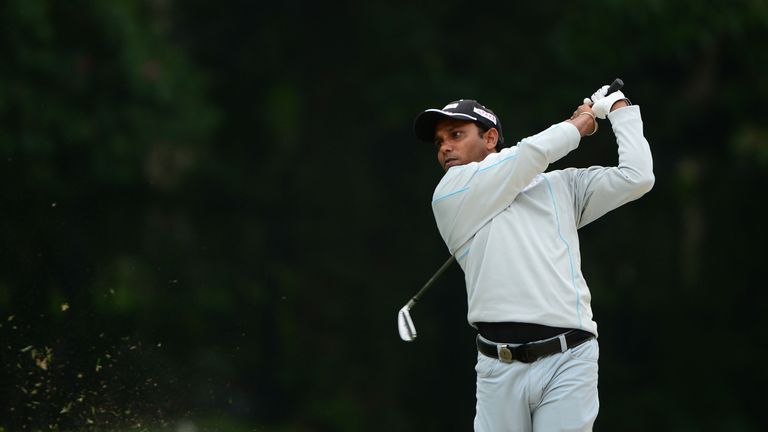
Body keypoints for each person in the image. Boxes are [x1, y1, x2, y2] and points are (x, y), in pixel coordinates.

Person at [412, 84, 654, 431]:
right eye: (439, 142)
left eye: (456, 135)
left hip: (569, 358)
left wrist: (619, 109)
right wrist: (578, 125)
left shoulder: (559, 186)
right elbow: (530, 154)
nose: (445, 147)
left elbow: (637, 177)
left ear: (490, 138)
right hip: (498, 369)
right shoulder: (451, 192)